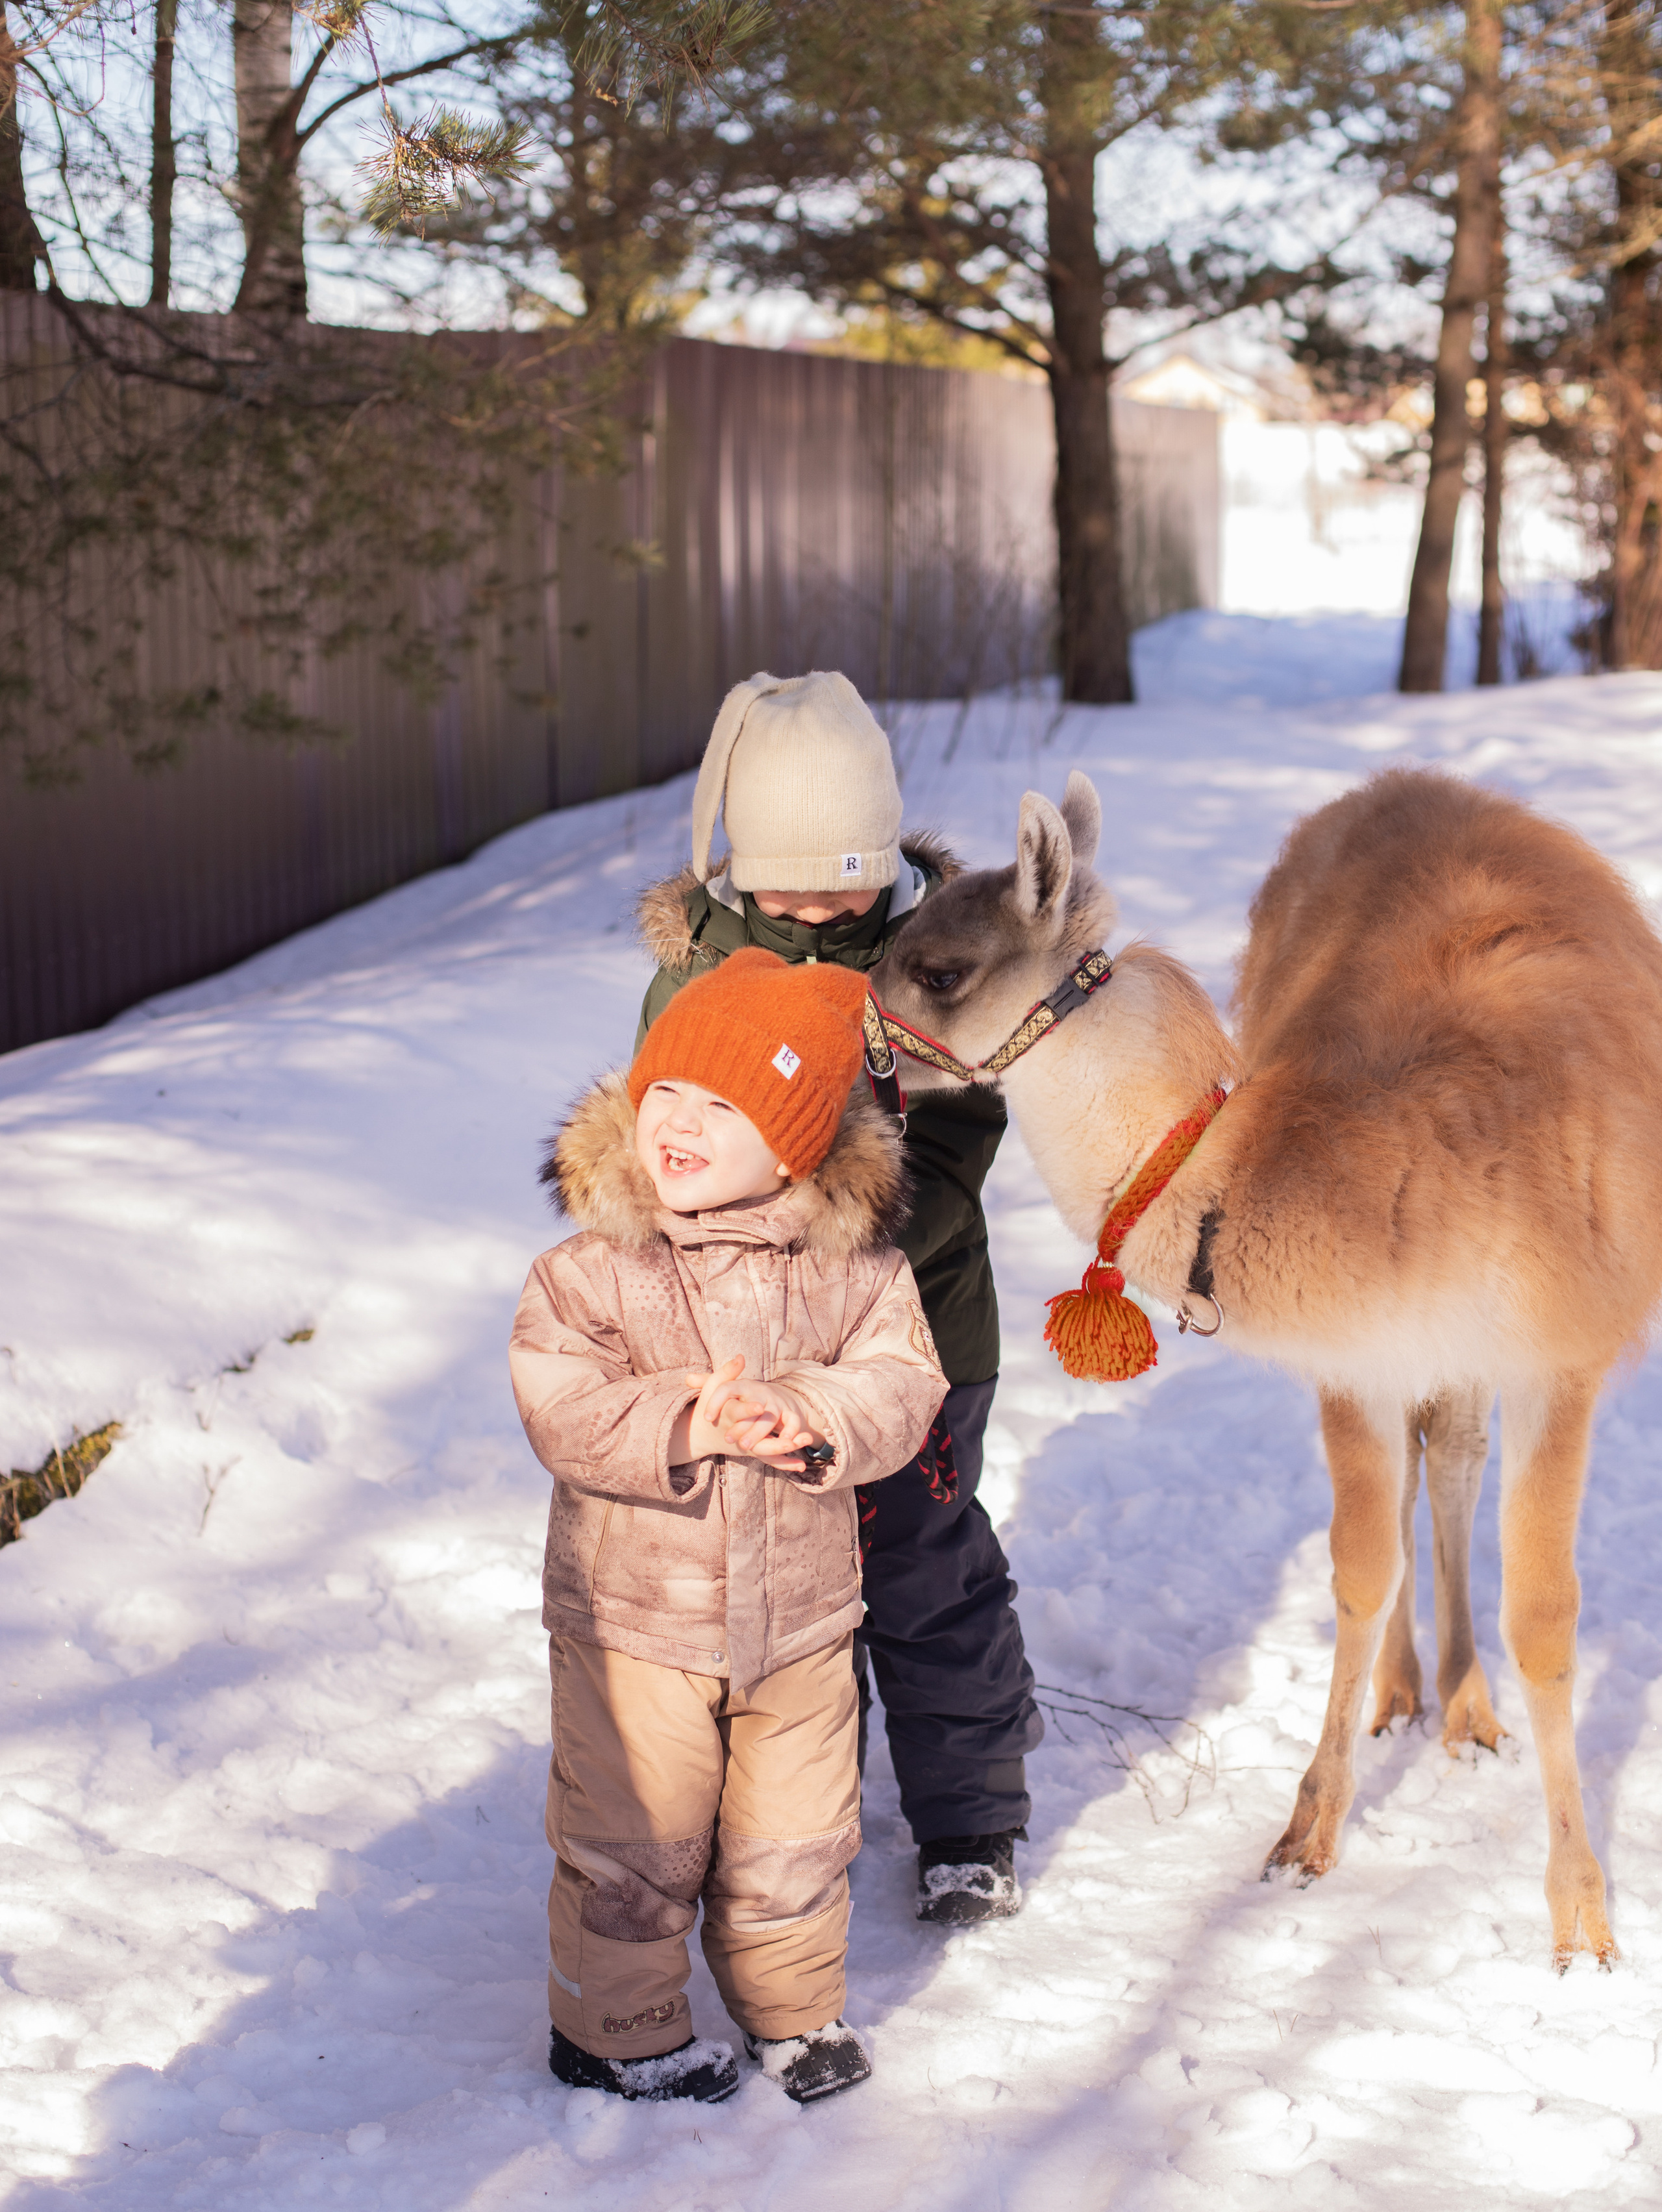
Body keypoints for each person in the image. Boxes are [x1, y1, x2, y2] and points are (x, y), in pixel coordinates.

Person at [634, 670, 1043, 1925]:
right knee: (765, 1593)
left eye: (850, 875)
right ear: (740, 867)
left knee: (921, 1565)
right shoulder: (695, 975)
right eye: (793, 879)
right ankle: (772, 1817)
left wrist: (856, 1208)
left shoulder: (934, 968)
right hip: (750, 1350)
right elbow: (665, 1129)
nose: (822, 903)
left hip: (917, 1332)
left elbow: (964, 1133)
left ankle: (969, 1815)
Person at [510, 947, 946, 2105]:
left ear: (799, 1142)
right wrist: (688, 1420)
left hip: (800, 1619)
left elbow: (905, 1384)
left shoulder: (856, 1271)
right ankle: (617, 2028)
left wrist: (806, 1413)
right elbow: (564, 1405)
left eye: (724, 1105)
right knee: (636, 1836)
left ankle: (793, 2012)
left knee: (794, 1836)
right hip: (634, 1627)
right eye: (665, 1095)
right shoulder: (591, 1270)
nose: (680, 1127)